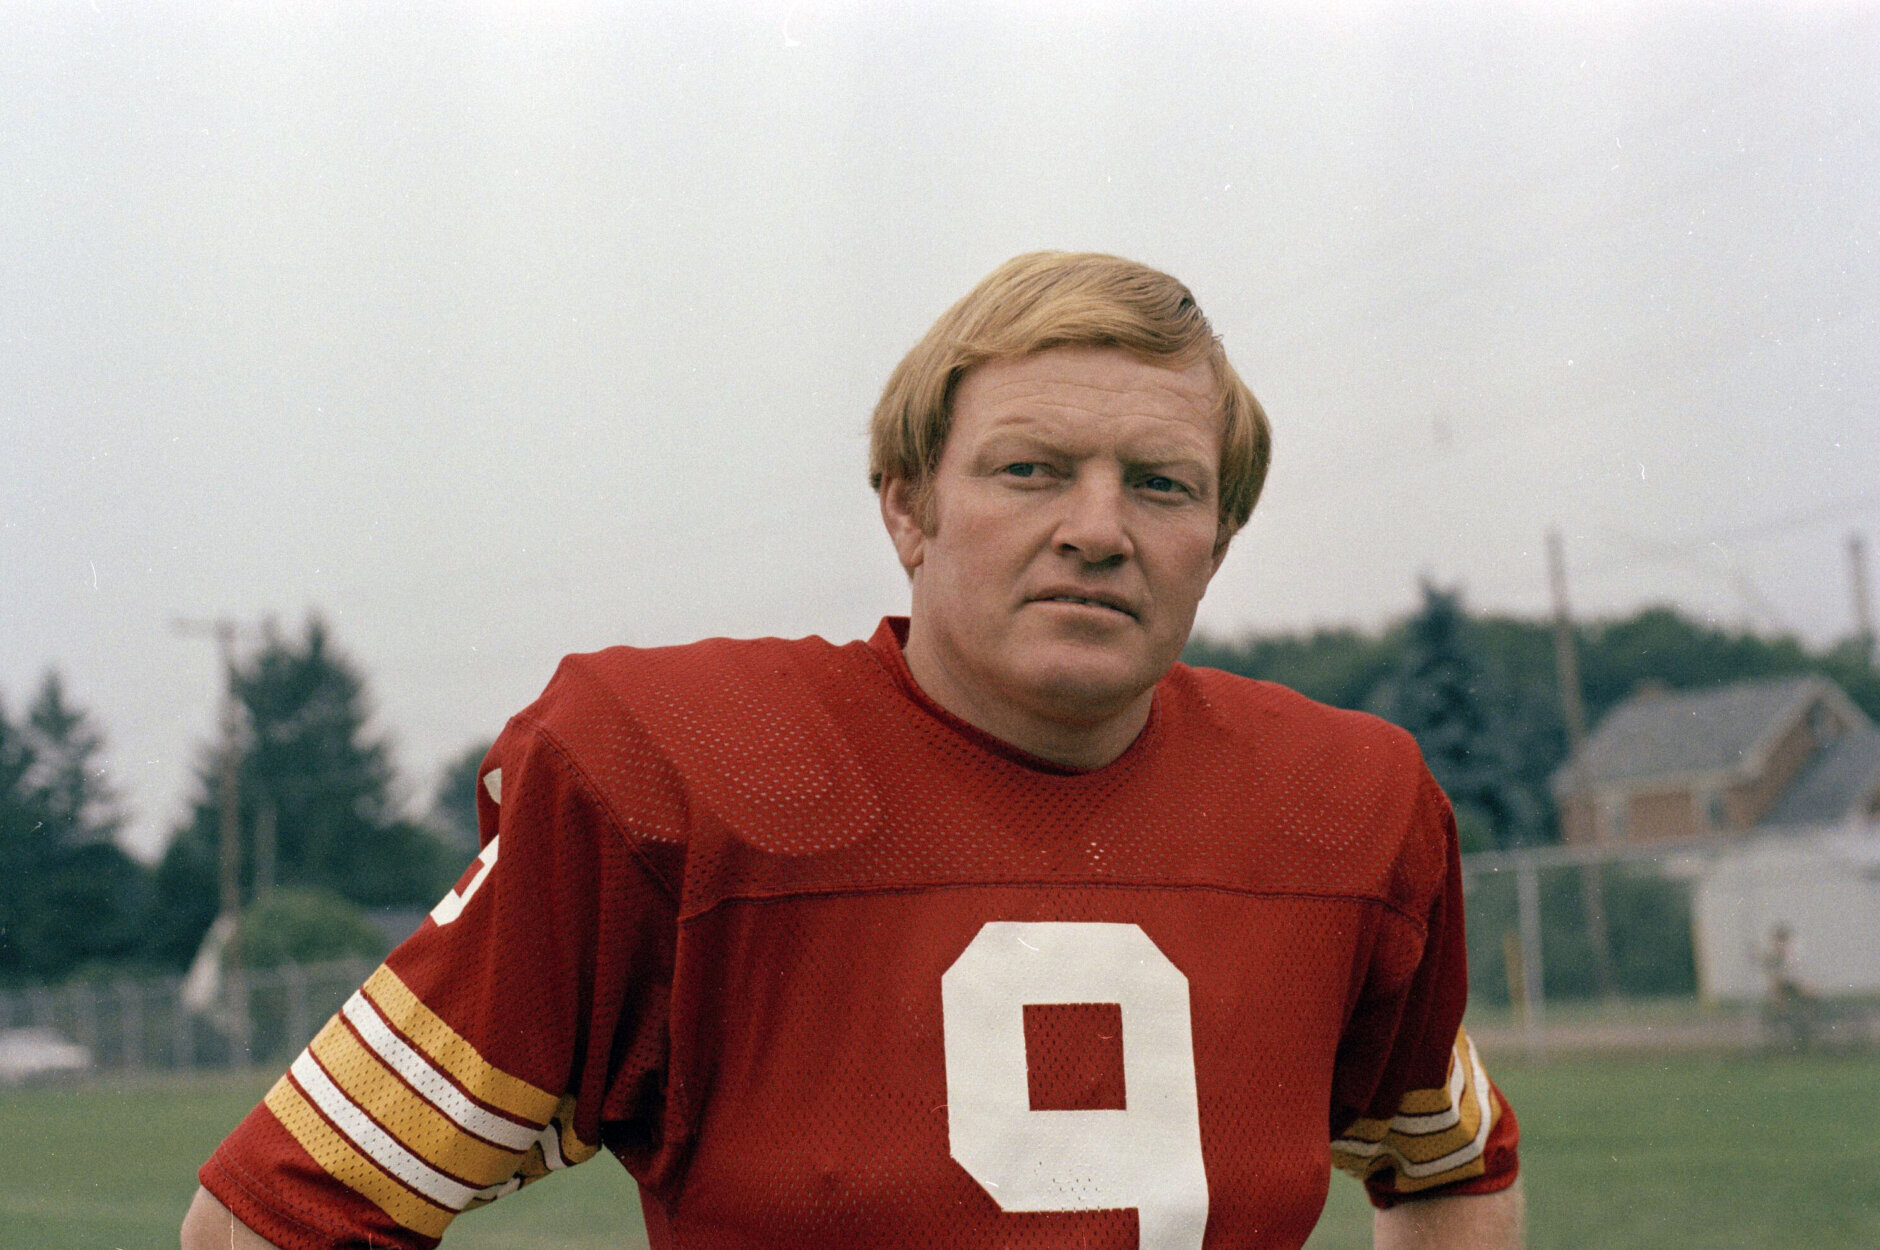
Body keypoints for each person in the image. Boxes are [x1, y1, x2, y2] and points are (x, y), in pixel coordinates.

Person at [183, 251, 1522, 1249]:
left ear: (1215, 542)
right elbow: (274, 1216)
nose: (1099, 528)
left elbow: (1453, 1156)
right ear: (908, 509)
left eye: (1161, 484)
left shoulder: (1340, 806)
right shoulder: (673, 778)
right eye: (1031, 468)